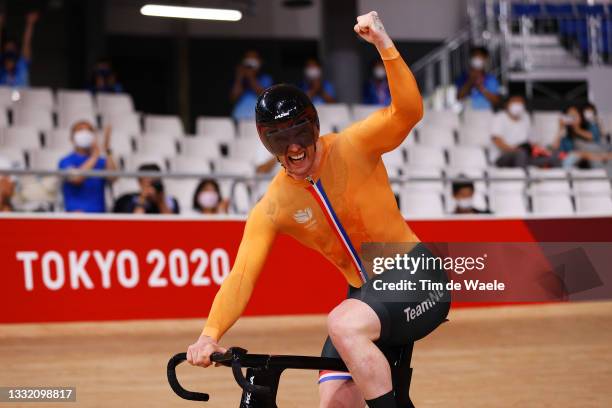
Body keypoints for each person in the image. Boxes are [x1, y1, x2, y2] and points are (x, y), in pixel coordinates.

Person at [186, 12, 450, 408]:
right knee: (333, 403)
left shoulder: (354, 145)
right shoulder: (274, 205)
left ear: (314, 126)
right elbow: (241, 276)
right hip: (365, 296)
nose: (293, 147)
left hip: (415, 275)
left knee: (342, 322)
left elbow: (408, 112)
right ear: (266, 143)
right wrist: (210, 334)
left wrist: (383, 45)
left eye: (299, 133)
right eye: (279, 139)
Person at [58, 122, 118, 213]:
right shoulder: (65, 161)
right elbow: (76, 178)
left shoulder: (101, 161)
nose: (85, 133)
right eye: (80, 130)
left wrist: (107, 150)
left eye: (89, 130)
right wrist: (95, 155)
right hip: (75, 215)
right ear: (71, 138)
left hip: (99, 215)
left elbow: (113, 178)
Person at [113, 163, 179, 214]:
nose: (152, 186)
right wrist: (142, 198)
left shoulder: (171, 201)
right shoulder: (126, 200)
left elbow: (171, 223)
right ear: (140, 182)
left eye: (155, 182)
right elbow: (133, 223)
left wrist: (160, 201)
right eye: (149, 183)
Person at [491, 95, 534, 168]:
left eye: (520, 102)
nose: (518, 104)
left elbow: (531, 141)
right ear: (507, 104)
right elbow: (497, 140)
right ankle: (523, 178)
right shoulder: (499, 117)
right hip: (503, 156)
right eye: (515, 101)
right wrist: (514, 150)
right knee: (521, 154)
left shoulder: (526, 117)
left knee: (551, 158)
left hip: (524, 154)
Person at [230, 50, 273, 121]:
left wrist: (251, 77)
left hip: (257, 119)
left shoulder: (265, 78)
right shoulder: (241, 78)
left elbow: (264, 96)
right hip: (238, 118)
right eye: (248, 58)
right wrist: (239, 77)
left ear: (260, 61)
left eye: (253, 58)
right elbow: (234, 98)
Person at [0, 11, 39, 87]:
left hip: (24, 96)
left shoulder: (22, 62)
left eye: (12, 49)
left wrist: (30, 24)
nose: (10, 52)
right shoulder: (1, 63)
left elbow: (26, 43)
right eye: (7, 50)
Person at [456, 46, 501, 110]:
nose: (477, 59)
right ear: (471, 59)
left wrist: (481, 87)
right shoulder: (462, 78)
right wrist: (470, 81)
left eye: (480, 57)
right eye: (475, 56)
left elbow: (496, 101)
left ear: (485, 60)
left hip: (485, 113)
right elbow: (458, 97)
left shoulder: (491, 79)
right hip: (467, 114)